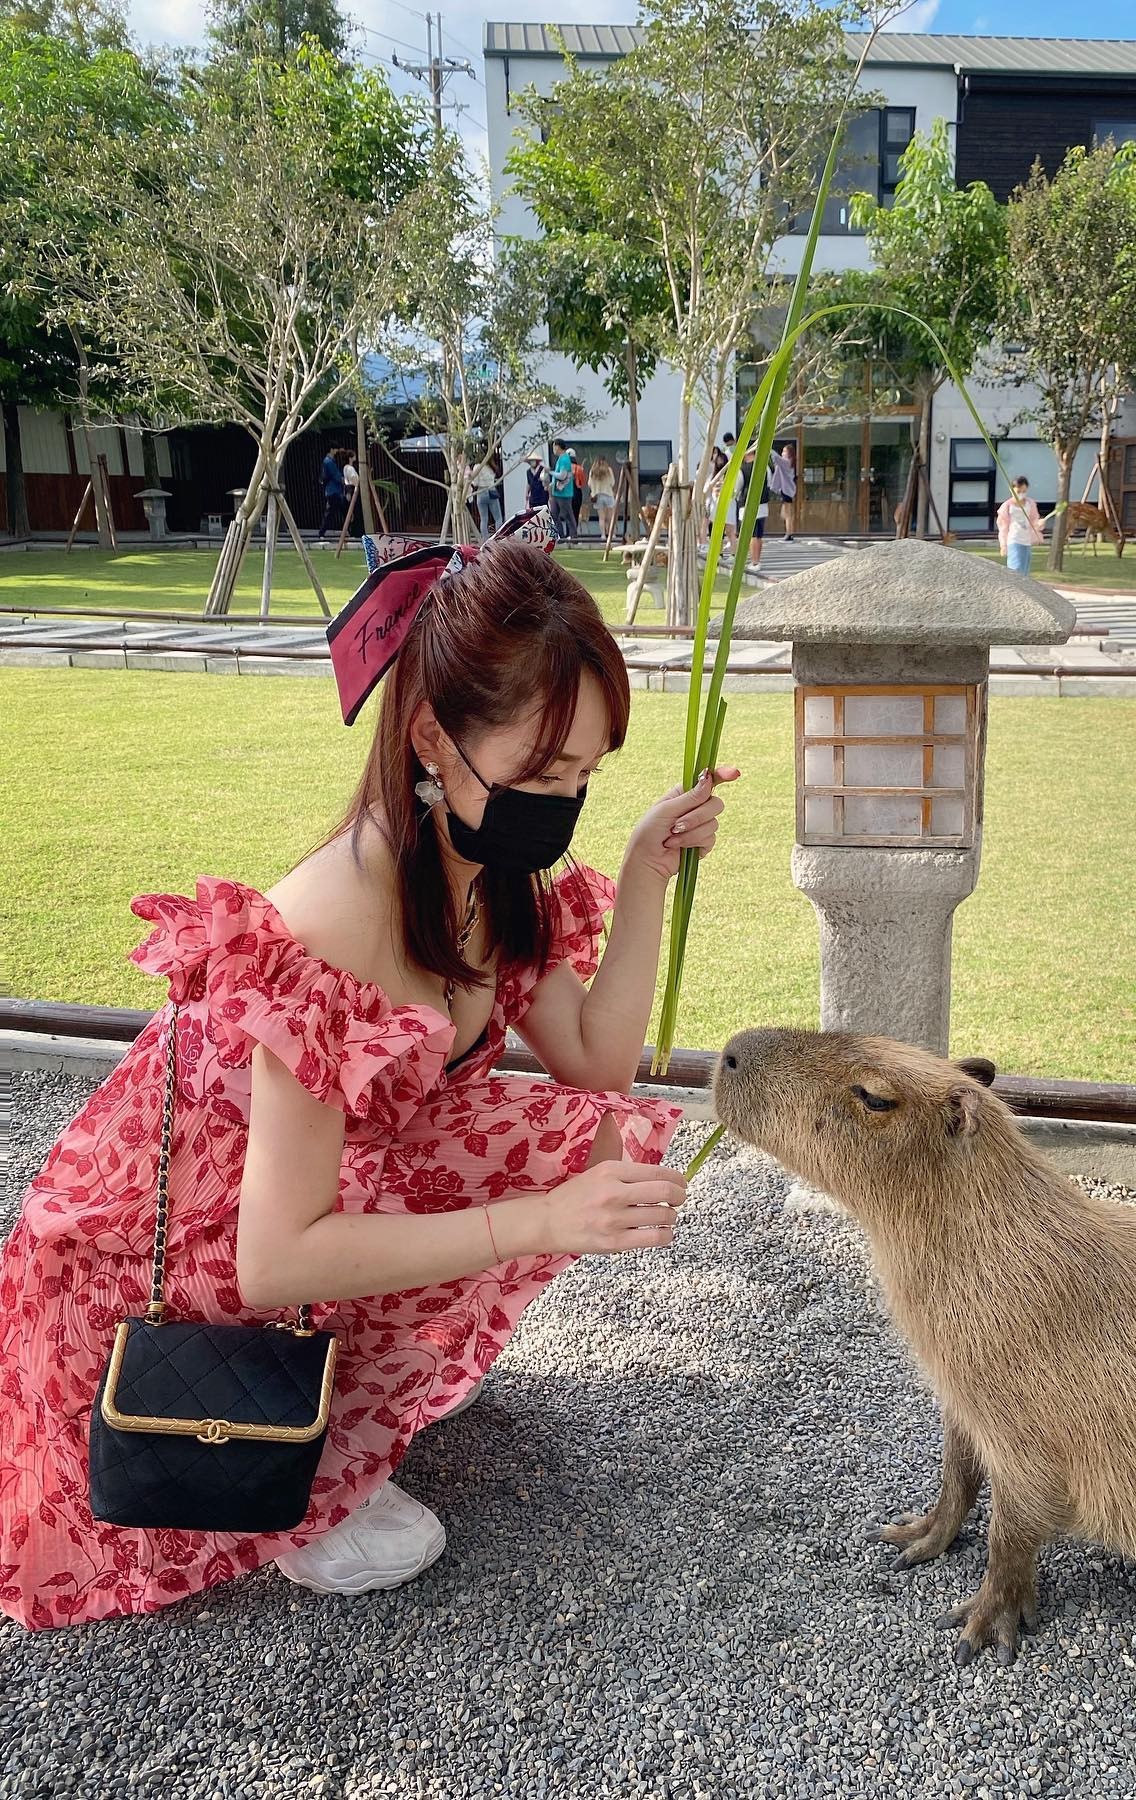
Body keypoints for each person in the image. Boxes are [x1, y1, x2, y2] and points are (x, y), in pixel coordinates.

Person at [0, 536, 741, 1628]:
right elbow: (271, 1256)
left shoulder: (485, 860)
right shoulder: (346, 917)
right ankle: (301, 1465)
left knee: (593, 1133)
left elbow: (595, 1064)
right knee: (537, 1180)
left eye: (586, 774)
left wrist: (641, 871)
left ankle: (358, 1391)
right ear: (435, 734)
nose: (565, 802)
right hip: (177, 1257)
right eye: (541, 773)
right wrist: (534, 1221)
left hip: (311, 1193)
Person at [996, 476, 1045, 576]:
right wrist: (1003, 545)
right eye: (1018, 491)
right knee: (1015, 570)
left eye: (1024, 491)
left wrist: (1039, 523)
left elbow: (1034, 521)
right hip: (1014, 540)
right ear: (1011, 490)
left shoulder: (1030, 503)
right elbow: (1003, 527)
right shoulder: (1007, 506)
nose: (1021, 494)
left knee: (1025, 571)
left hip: (1027, 541)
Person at [737, 443, 771, 569]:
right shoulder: (765, 467)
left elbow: (737, 487)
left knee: (751, 535)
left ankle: (754, 562)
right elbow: (769, 483)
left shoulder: (742, 470)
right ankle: (757, 560)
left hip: (746, 505)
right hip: (762, 505)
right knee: (759, 535)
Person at [465, 454, 503, 540]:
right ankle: (498, 539)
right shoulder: (491, 467)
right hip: (491, 492)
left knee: (484, 519)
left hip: (481, 493)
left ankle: (485, 540)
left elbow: (475, 483)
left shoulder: (477, 466)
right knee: (498, 518)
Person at [318, 447, 348, 541]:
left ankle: (349, 530)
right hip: (333, 490)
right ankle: (321, 532)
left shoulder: (330, 461)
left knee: (341, 511)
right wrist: (344, 480)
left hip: (334, 491)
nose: (336, 451)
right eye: (335, 449)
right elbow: (336, 475)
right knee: (332, 512)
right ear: (331, 449)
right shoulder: (328, 462)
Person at [549, 441, 577, 543]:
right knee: (554, 514)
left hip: (564, 493)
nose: (553, 449)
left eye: (554, 447)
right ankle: (560, 535)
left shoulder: (565, 459)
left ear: (557, 447)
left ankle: (573, 536)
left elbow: (562, 475)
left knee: (567, 514)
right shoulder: (561, 459)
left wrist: (550, 472)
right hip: (557, 492)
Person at [772, 443, 798, 540]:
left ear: (789, 453)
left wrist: (769, 448)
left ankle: (788, 533)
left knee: (787, 514)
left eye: (784, 451)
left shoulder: (786, 462)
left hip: (786, 491)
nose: (782, 453)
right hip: (787, 491)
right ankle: (789, 532)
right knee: (787, 513)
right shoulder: (789, 462)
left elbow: (776, 458)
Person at [589, 457, 617, 541]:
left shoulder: (592, 471)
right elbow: (612, 483)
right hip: (608, 494)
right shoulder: (608, 470)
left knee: (601, 518)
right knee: (611, 517)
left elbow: (589, 484)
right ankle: (612, 535)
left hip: (597, 496)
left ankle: (603, 535)